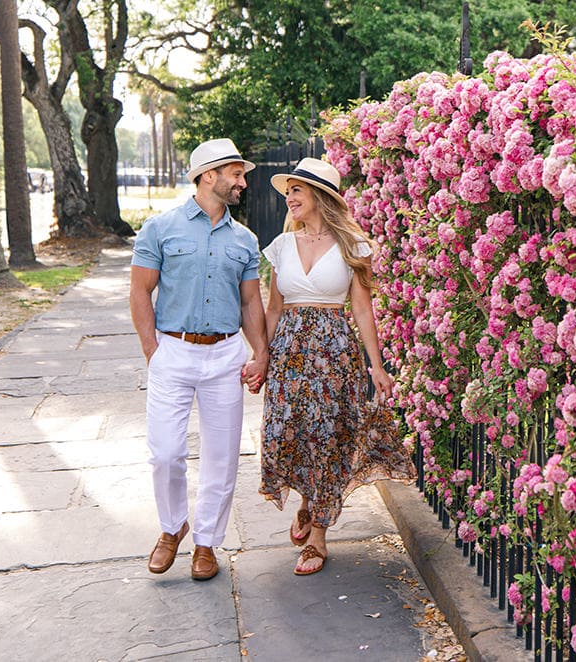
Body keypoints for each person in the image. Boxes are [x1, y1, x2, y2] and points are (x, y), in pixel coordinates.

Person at [246, 156, 412, 576]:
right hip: (289, 353)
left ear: (319, 196)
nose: (289, 198)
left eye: (296, 190)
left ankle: (318, 535)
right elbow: (274, 306)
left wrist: (377, 366)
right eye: (288, 192)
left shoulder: (353, 246)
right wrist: (261, 355)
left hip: (335, 352)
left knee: (327, 436)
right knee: (289, 432)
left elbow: (362, 308)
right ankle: (306, 502)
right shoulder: (281, 246)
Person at [130, 138, 268, 581]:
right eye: (236, 174)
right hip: (172, 350)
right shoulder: (160, 228)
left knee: (222, 456)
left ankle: (206, 542)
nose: (243, 182)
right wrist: (153, 349)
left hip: (225, 354)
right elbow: (140, 291)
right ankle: (173, 528)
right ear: (209, 175)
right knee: (166, 453)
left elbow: (251, 303)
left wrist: (260, 351)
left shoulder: (245, 239)